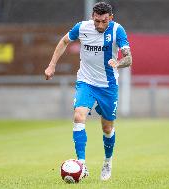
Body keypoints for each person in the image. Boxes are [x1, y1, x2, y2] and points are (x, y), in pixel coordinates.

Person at [45, 2, 132, 181]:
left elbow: (129, 58)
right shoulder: (82, 27)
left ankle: (107, 161)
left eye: (104, 21)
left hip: (108, 86)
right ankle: (82, 164)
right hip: (86, 82)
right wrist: (52, 65)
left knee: (107, 128)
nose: (100, 25)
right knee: (78, 116)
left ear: (111, 18)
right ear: (92, 16)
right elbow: (64, 41)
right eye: (97, 21)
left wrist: (118, 63)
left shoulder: (117, 30)